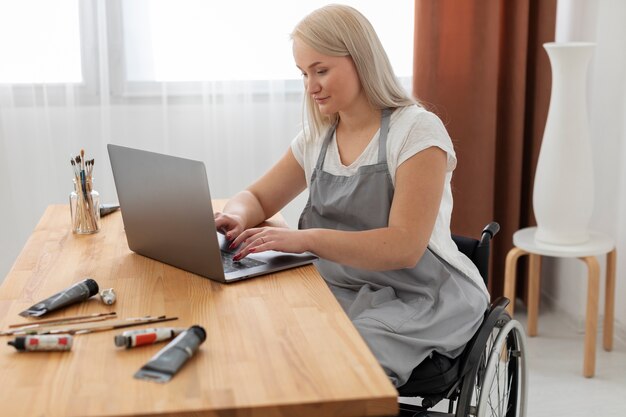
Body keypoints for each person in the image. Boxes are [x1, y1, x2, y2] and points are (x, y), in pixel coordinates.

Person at [214, 4, 489, 388]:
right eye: (304, 74)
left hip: (422, 296)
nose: (311, 87)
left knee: (336, 366)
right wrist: (237, 216)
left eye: (321, 70)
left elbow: (404, 247)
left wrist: (305, 240)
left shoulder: (417, 133)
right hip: (343, 285)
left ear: (360, 61)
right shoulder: (317, 138)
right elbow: (256, 198)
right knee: (264, 336)